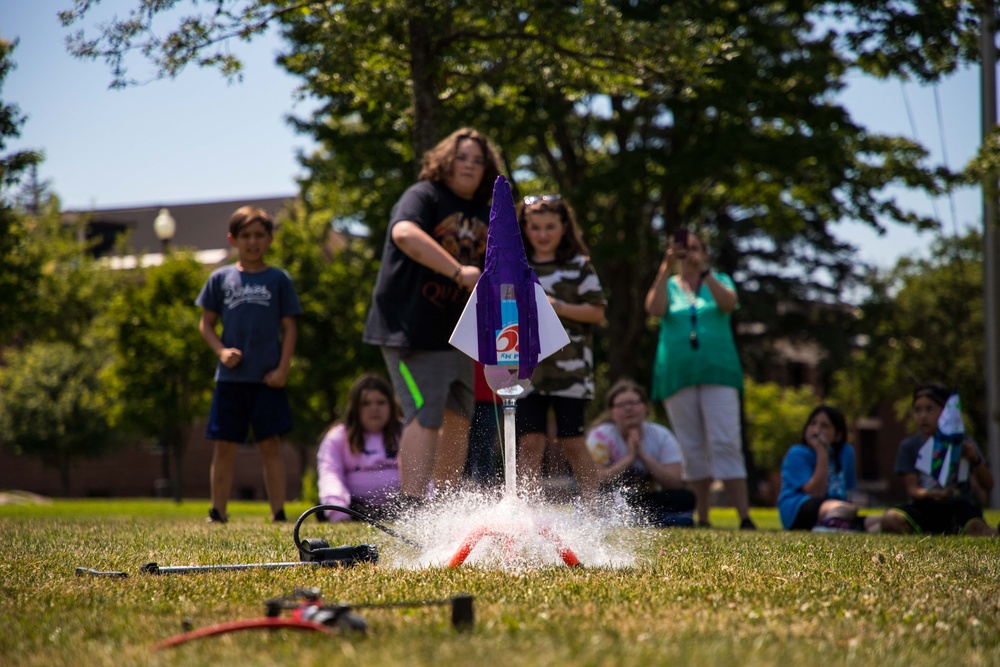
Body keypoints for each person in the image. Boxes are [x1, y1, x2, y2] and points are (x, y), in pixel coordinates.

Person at [363, 128, 503, 504]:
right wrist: (458, 270)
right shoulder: (424, 195)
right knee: (425, 412)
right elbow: (404, 233)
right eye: (462, 157)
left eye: (478, 160)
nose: (470, 166)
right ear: (446, 160)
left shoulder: (486, 211)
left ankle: (444, 509)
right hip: (409, 330)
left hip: (455, 334)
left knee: (459, 414)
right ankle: (412, 507)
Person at [196, 205, 303, 523]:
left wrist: (283, 369)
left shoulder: (279, 279)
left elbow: (290, 327)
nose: (253, 242)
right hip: (230, 380)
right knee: (224, 446)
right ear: (233, 239)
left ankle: (279, 513)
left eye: (259, 235)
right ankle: (218, 512)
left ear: (270, 239)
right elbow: (205, 325)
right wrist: (221, 351)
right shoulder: (220, 279)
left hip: (267, 379)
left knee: (271, 445)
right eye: (246, 236)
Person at [643, 228, 754, 529]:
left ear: (705, 253)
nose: (688, 254)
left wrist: (705, 273)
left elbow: (729, 304)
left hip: (719, 373)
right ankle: (701, 517)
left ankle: (744, 516)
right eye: (682, 248)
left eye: (694, 248)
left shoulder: (719, 281)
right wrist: (666, 266)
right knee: (690, 446)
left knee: (725, 441)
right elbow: (654, 309)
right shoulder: (669, 285)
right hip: (677, 376)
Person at [514, 194, 604, 502]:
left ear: (564, 227)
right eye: (535, 227)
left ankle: (593, 509)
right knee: (529, 443)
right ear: (524, 228)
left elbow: (596, 312)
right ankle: (526, 513)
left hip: (571, 372)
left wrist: (557, 306)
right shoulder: (517, 267)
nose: (542, 234)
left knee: (572, 441)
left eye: (550, 227)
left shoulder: (578, 266)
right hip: (527, 371)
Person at [880, 383, 997, 537]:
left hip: (959, 507)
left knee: (978, 529)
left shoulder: (965, 444)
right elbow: (913, 490)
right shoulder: (909, 446)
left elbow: (988, 484)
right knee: (890, 520)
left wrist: (975, 459)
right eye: (918, 410)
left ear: (946, 412)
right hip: (924, 507)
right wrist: (933, 494)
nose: (922, 416)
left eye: (929, 409)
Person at [585, 380, 696, 526]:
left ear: (645, 408)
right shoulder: (600, 437)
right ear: (612, 412)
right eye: (621, 405)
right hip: (614, 498)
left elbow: (675, 482)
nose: (628, 409)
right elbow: (596, 479)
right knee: (593, 497)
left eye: (634, 403)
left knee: (686, 498)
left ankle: (637, 519)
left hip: (648, 498)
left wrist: (643, 455)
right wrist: (629, 458)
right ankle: (653, 520)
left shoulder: (662, 436)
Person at [777, 405, 879, 532]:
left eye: (824, 426)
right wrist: (822, 452)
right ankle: (829, 525)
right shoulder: (797, 453)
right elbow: (815, 492)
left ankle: (836, 524)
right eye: (812, 423)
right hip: (799, 507)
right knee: (846, 508)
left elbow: (849, 489)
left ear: (838, 435)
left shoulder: (846, 452)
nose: (816, 430)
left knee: (881, 522)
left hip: (838, 508)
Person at [317, 374, 403, 522]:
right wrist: (337, 510)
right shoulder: (337, 436)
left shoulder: (408, 433)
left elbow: (426, 475)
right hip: (355, 509)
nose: (374, 408)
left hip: (401, 508)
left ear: (391, 405)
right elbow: (330, 474)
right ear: (355, 408)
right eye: (366, 403)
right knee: (320, 509)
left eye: (381, 402)